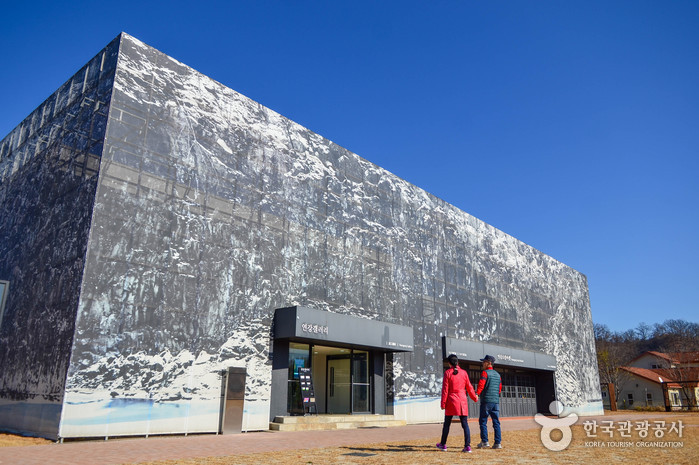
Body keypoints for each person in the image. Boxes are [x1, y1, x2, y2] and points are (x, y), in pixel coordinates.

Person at [436, 354, 478, 453]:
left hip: (451, 400)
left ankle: (443, 444)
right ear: (458, 362)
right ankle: (467, 446)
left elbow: (445, 390)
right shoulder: (464, 373)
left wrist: (443, 403)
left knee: (447, 424)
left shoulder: (448, 373)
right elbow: (469, 387)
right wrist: (474, 398)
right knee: (465, 424)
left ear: (449, 363)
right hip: (462, 400)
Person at [476, 354, 502, 449]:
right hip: (495, 402)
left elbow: (481, 385)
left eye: (484, 362)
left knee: (483, 421)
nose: (482, 363)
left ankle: (485, 441)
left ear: (489, 363)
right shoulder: (498, 375)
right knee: (496, 422)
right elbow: (499, 389)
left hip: (486, 401)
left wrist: (477, 394)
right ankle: (498, 443)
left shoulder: (485, 373)